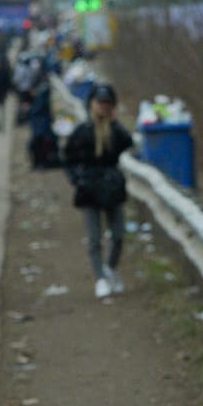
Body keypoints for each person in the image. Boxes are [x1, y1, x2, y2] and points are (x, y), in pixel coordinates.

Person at [61, 83, 135, 298]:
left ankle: (110, 268)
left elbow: (129, 144)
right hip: (89, 188)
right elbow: (67, 158)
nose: (102, 108)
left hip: (112, 186)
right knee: (94, 238)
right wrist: (77, 179)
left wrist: (115, 122)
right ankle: (100, 278)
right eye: (99, 103)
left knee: (119, 234)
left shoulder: (116, 131)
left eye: (107, 104)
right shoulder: (82, 132)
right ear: (91, 105)